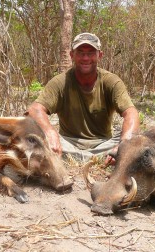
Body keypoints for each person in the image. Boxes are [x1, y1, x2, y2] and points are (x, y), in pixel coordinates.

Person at [25, 33, 140, 164]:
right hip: (67, 144)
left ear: (100, 55)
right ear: (72, 55)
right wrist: (50, 133)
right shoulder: (60, 82)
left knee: (135, 138)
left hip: (103, 144)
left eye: (91, 53)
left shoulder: (111, 81)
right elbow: (35, 109)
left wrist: (123, 145)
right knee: (33, 132)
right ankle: (100, 159)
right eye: (80, 52)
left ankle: (101, 155)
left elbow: (131, 113)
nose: (85, 58)